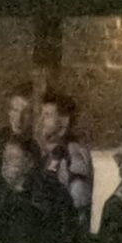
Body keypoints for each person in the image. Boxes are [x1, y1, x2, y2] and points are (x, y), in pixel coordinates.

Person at [35, 90, 93, 222]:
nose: (41, 120)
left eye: (48, 115)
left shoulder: (73, 153)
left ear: (64, 121)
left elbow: (79, 203)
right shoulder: (52, 153)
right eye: (42, 114)